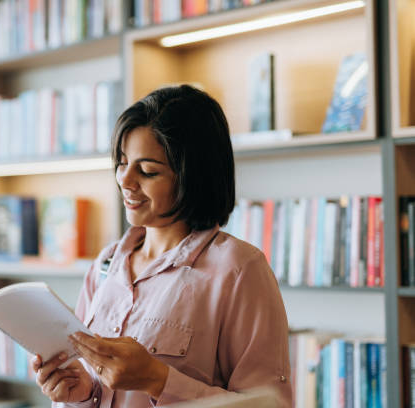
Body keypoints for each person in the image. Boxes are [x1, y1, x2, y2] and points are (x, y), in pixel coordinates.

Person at [30, 84, 292, 407]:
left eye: (147, 171)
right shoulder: (105, 266)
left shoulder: (239, 270)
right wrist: (81, 395)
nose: (124, 180)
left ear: (192, 176)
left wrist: (158, 379)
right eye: (122, 163)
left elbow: (271, 404)